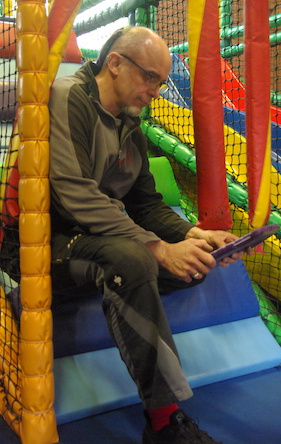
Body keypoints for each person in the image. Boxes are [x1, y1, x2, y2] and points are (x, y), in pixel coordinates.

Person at [49, 26, 246, 444]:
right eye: (150, 77)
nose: (156, 90)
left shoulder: (130, 125)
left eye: (161, 81)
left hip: (100, 245)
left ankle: (124, 280)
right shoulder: (69, 97)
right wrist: (155, 248)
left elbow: (147, 205)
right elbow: (73, 196)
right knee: (134, 259)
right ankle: (163, 421)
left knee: (193, 262)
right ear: (115, 64)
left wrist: (197, 234)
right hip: (50, 248)